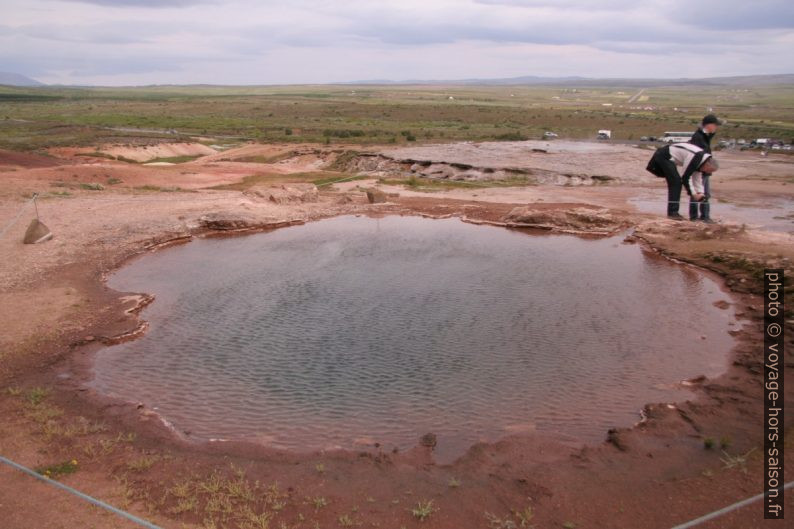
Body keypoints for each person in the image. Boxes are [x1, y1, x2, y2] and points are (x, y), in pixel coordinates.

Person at [646, 142, 719, 220]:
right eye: (709, 170)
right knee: (676, 182)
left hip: (670, 157)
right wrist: (693, 194)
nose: (708, 173)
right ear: (707, 165)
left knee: (676, 181)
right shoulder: (696, 158)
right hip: (664, 155)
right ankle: (673, 213)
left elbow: (697, 178)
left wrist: (700, 192)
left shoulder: (702, 161)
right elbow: (685, 177)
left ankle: (673, 212)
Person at [688, 114, 722, 222]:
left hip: (704, 169)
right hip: (700, 169)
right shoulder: (698, 137)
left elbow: (709, 135)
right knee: (699, 192)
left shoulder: (703, 136)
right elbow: (698, 154)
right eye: (715, 125)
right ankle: (697, 217)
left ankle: (703, 216)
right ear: (709, 125)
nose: (716, 127)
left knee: (704, 193)